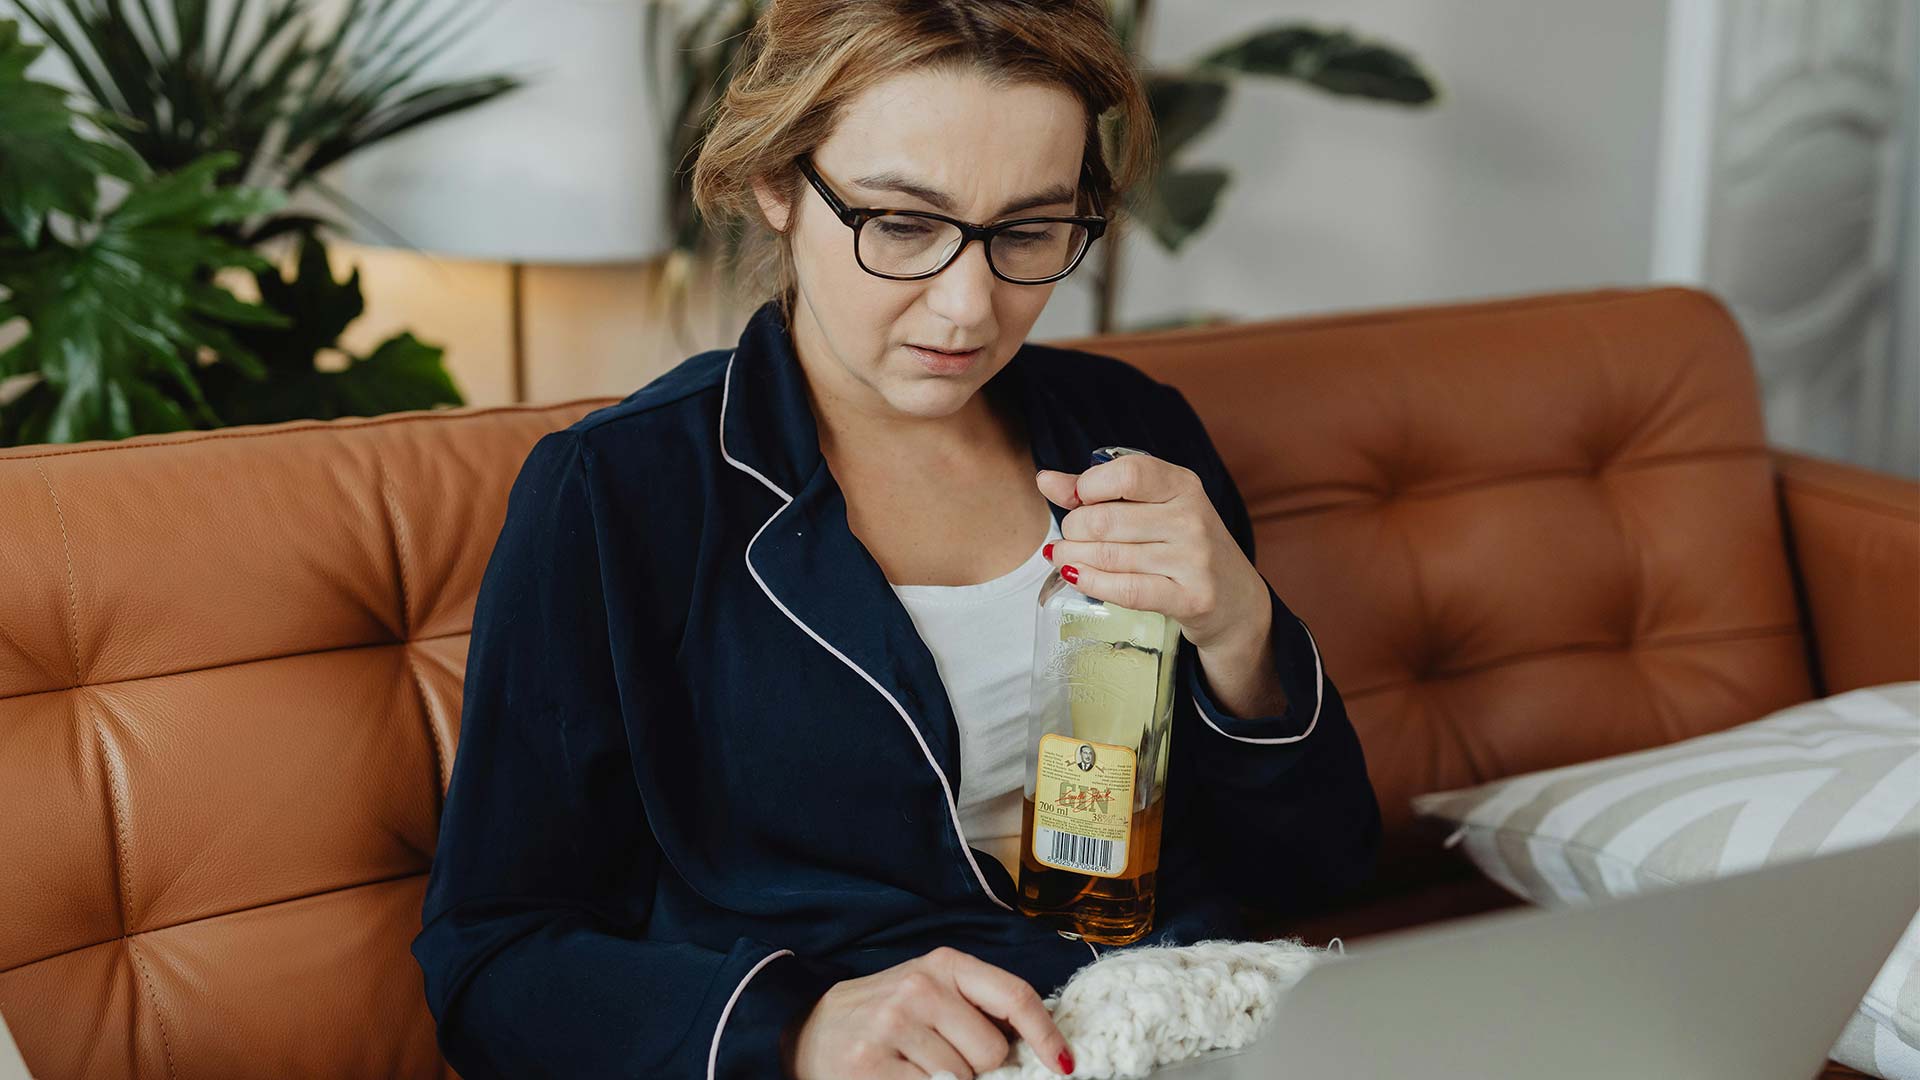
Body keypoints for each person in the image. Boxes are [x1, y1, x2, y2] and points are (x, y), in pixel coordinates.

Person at [410, 2, 1383, 1078]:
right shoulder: (618, 497)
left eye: (1026, 232)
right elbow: (490, 960)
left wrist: (1242, 633)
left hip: (1181, 1024)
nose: (967, 309)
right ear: (777, 184)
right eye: (903, 225)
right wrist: (796, 1030)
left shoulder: (1133, 433)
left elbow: (1320, 871)